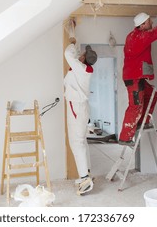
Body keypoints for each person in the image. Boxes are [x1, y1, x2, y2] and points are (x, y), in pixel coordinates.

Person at [119, 12, 157, 146]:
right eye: (150, 21)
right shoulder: (139, 37)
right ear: (143, 24)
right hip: (134, 79)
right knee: (135, 106)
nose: (152, 23)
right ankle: (125, 137)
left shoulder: (134, 36)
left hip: (137, 77)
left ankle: (142, 122)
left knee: (152, 94)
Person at [64, 36, 97, 195]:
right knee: (81, 141)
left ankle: (85, 179)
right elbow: (74, 58)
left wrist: (72, 42)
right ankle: (87, 173)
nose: (80, 54)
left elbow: (68, 54)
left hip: (77, 108)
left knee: (76, 142)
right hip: (80, 108)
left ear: (83, 58)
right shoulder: (84, 69)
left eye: (82, 54)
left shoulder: (80, 68)